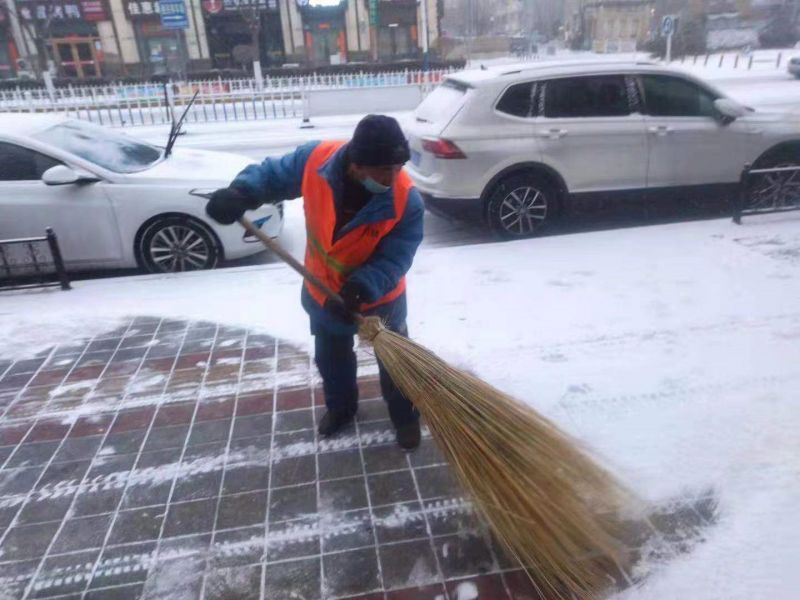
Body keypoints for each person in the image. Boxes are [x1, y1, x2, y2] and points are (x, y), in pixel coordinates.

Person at [205, 115, 424, 450]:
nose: (393, 177)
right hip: (323, 292)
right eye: (384, 170)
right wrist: (241, 193)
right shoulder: (315, 161)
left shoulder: (406, 200)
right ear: (358, 163)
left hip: (380, 298)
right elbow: (272, 175)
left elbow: (398, 255)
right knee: (331, 359)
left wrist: (365, 286)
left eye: (399, 167)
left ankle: (406, 419)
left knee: (397, 365)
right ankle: (341, 409)